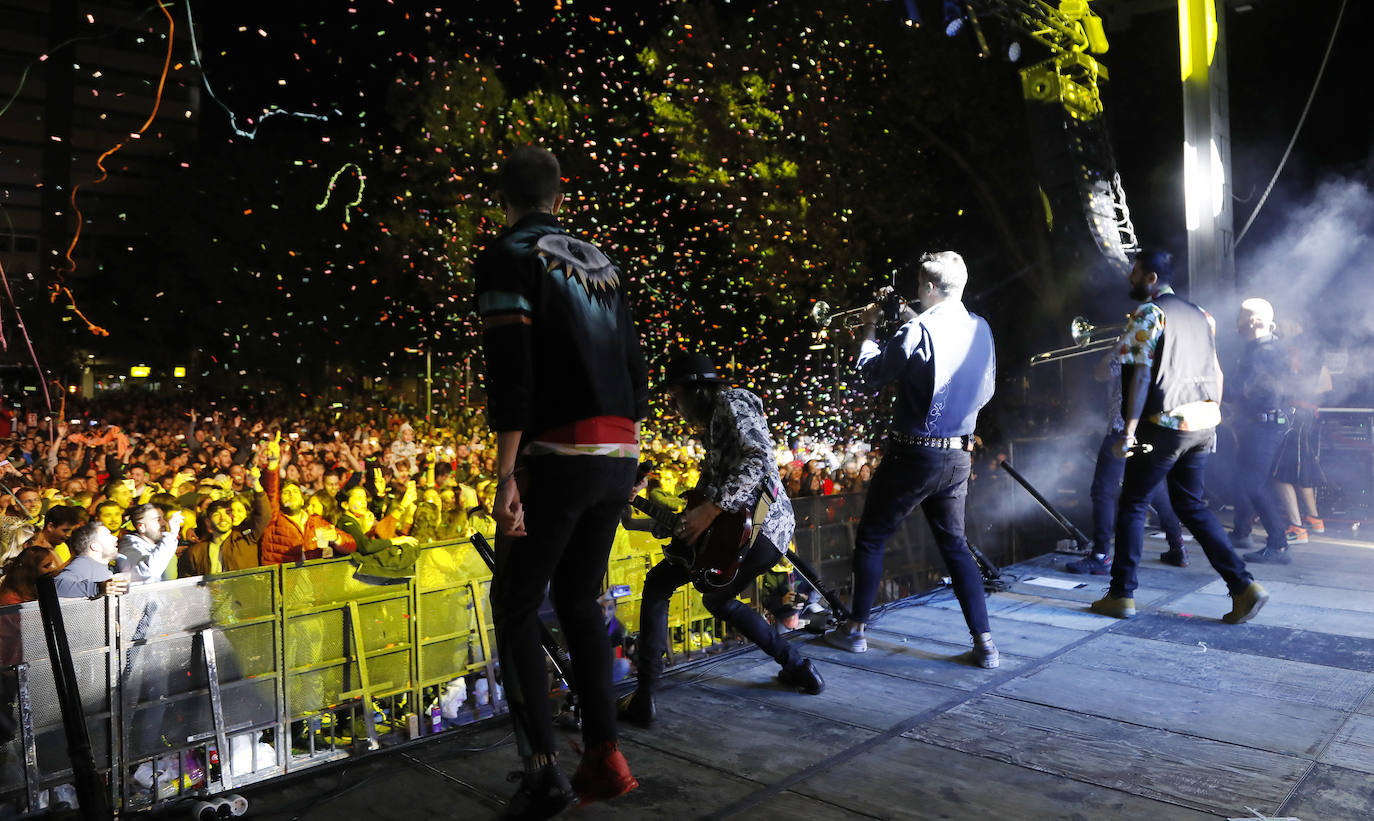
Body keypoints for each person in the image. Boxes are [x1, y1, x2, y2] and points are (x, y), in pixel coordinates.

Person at [475, 145, 648, 818]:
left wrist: (505, 472)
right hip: (619, 450)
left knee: (515, 601)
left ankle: (544, 771)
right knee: (579, 597)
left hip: (557, 451)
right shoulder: (601, 259)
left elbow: (510, 372)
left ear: (503, 196)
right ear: (559, 193)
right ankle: (604, 756)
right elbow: (636, 366)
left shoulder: (506, 255)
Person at [619, 353, 823, 728]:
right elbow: (704, 506)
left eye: (675, 397)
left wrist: (710, 510)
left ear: (690, 389)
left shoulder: (732, 401)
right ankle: (797, 668)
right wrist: (676, 521)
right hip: (752, 534)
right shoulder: (713, 425)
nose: (675, 407)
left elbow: (758, 460)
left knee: (661, 585)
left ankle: (644, 695)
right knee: (718, 598)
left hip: (760, 527)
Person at [823, 251, 999, 667]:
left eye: (920, 289)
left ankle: (855, 631)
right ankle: (985, 644)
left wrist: (868, 326)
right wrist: (901, 311)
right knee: (955, 546)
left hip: (913, 454)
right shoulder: (980, 327)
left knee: (871, 538)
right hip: (958, 456)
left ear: (929, 288)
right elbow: (957, 362)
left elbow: (869, 375)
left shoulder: (917, 328)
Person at [1090, 250, 1267, 623]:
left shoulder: (1150, 313)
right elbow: (1216, 371)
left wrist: (1130, 430)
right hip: (1202, 422)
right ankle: (1244, 586)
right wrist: (1214, 413)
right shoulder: (1203, 315)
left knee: (1133, 504)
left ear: (1151, 278)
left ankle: (1121, 595)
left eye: (1134, 273)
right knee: (1191, 505)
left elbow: (1138, 375)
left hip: (1165, 423)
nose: (1130, 280)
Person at [1067, 339, 1188, 573]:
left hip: (1123, 428)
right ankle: (1177, 547)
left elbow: (1101, 374)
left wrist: (1116, 346)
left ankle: (1101, 554)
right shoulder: (1171, 347)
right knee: (1156, 488)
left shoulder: (1132, 348)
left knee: (1103, 490)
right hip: (1155, 429)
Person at [1228, 298, 1296, 564]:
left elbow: (1240, 390)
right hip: (1258, 423)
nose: (1236, 322)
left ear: (1254, 320)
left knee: (1253, 483)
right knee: (1242, 479)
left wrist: (1210, 386)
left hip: (1265, 425)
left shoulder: (1265, 352)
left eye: (1240, 317)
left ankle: (1278, 545)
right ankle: (1242, 532)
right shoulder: (1260, 348)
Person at [178, 497, 266, 577]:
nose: (223, 518)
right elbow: (187, 585)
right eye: (216, 514)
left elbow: (264, 515)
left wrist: (256, 485)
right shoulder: (195, 552)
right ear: (208, 522)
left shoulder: (246, 539)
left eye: (227, 513)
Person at [53, 523, 130, 599]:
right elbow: (56, 586)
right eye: (107, 535)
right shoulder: (82, 564)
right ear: (95, 547)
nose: (115, 538)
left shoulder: (101, 566)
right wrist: (97, 588)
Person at [116, 503, 183, 583]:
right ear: (142, 527)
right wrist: (171, 535)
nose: (164, 523)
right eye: (158, 519)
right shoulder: (129, 546)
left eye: (163, 518)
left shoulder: (161, 544)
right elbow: (147, 572)